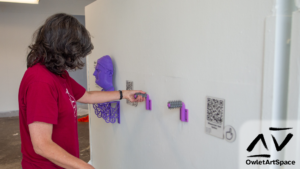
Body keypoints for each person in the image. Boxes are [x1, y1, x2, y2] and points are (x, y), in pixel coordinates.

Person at [18, 13, 145, 169]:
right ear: (61, 47)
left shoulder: (57, 73)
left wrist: (124, 94)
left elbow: (87, 96)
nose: (75, 58)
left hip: (64, 164)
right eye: (74, 53)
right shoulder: (41, 82)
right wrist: (85, 167)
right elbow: (42, 145)